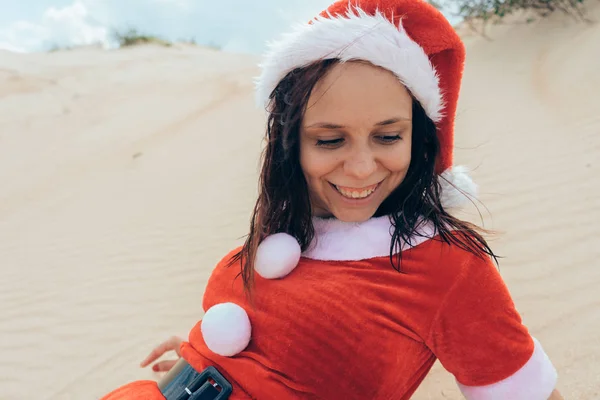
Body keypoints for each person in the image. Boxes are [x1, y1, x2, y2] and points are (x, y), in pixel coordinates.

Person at [101, 0, 564, 399]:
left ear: (418, 139)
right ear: (292, 144)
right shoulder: (290, 228)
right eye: (330, 140)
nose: (362, 168)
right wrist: (198, 362)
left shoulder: (446, 262)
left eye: (387, 136)